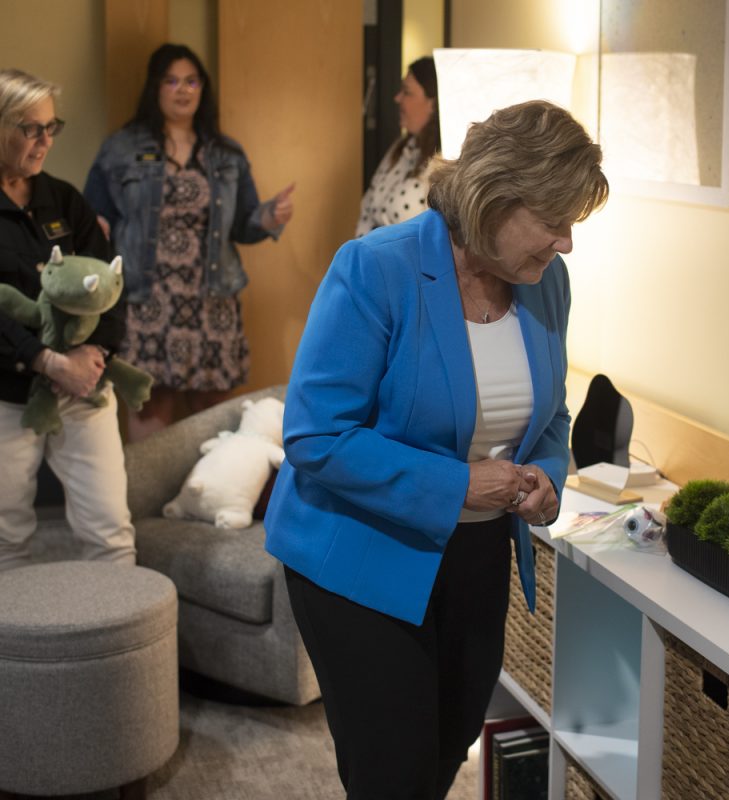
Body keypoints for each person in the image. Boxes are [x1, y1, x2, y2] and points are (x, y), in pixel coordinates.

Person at [264, 100, 608, 798]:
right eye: (554, 222)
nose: (567, 243)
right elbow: (315, 435)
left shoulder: (547, 285)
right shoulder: (376, 270)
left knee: (448, 752)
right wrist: (458, 487)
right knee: (393, 775)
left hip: (477, 561)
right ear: (495, 199)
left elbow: (549, 415)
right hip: (361, 562)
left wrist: (544, 476)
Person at [84, 43, 295, 441]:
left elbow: (244, 226)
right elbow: (93, 218)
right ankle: (147, 497)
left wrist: (269, 216)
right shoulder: (122, 147)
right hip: (147, 298)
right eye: (172, 81)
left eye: (192, 81)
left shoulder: (226, 153)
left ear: (203, 89)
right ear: (156, 88)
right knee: (151, 400)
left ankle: (210, 497)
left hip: (212, 298)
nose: (183, 90)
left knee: (214, 412)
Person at [0, 68, 135, 571]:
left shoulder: (62, 199)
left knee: (112, 533)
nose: (43, 141)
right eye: (29, 128)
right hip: (9, 394)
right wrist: (46, 361)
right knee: (6, 540)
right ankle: (16, 651)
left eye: (51, 127)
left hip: (84, 387)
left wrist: (93, 354)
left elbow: (111, 284)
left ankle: (119, 649)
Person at [356, 55, 439, 236]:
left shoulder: (444, 164)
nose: (397, 98)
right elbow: (366, 212)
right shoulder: (399, 150)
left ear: (432, 104)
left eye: (407, 92)